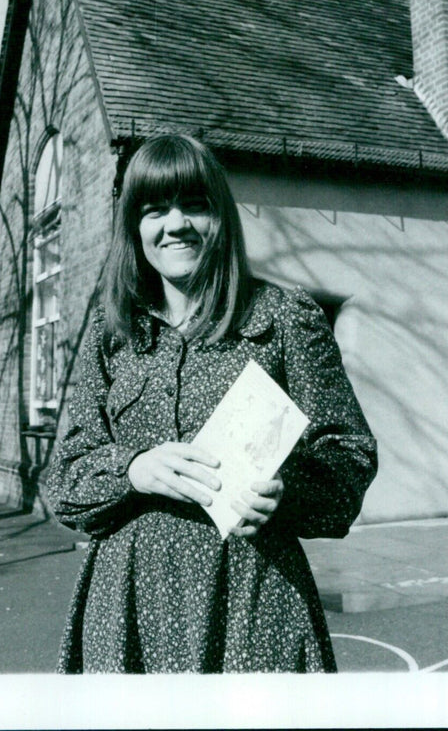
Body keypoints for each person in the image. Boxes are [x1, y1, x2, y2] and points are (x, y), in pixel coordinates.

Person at [46, 133, 378, 673]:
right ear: (135, 227)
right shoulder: (112, 334)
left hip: (252, 603)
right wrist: (133, 468)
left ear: (220, 217)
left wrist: (286, 492)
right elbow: (64, 481)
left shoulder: (284, 318)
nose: (175, 224)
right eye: (154, 210)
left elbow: (349, 459)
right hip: (127, 609)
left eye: (194, 205)